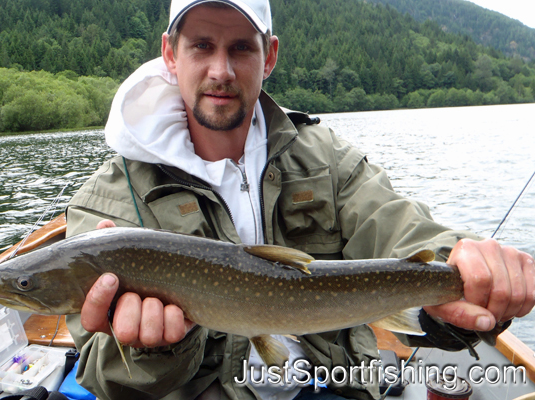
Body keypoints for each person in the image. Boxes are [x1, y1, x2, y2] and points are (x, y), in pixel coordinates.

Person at [64, 0, 535, 399]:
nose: (221, 71)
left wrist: (470, 268)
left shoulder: (325, 158)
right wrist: (154, 350)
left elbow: (401, 227)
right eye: (202, 46)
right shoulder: (107, 204)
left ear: (268, 56)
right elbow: (105, 377)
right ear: (170, 54)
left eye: (241, 48)